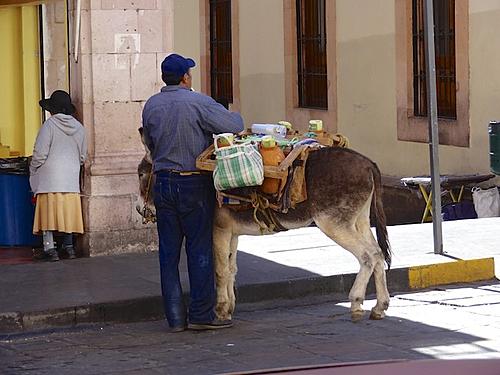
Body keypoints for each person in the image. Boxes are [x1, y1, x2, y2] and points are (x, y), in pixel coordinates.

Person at [142, 53, 244, 332]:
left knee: (168, 254)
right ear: (186, 77)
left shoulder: (151, 105)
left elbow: (150, 143)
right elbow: (234, 126)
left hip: (163, 183)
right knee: (199, 249)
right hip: (193, 183)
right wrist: (232, 113)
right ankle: (200, 314)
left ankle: (175, 319)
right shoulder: (197, 101)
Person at [30, 90, 87, 261]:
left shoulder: (49, 125)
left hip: (50, 178)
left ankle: (50, 249)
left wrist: (33, 169)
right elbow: (83, 156)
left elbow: (40, 153)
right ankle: (69, 248)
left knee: (48, 213)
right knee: (68, 213)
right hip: (70, 178)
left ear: (52, 109)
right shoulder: (80, 128)